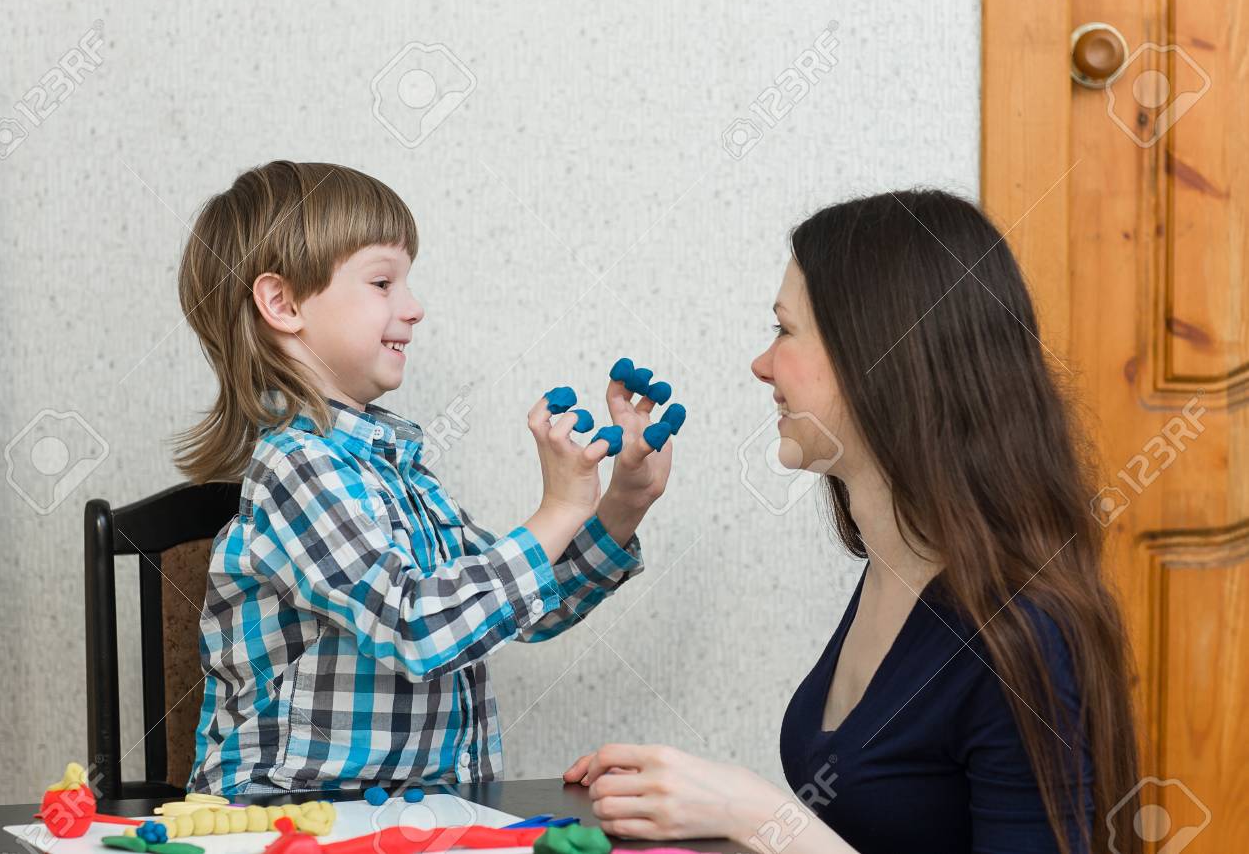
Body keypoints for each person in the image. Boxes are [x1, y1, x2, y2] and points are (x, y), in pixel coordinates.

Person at [564, 189, 1140, 854]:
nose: (761, 365)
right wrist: (705, 802)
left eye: (784, 330)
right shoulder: (897, 570)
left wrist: (754, 812)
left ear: (878, 355)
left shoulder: (1025, 635)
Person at [170, 160, 673, 794]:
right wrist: (559, 509)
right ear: (283, 303)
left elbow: (519, 610)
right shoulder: (295, 468)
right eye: (383, 282)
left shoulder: (399, 472)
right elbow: (416, 629)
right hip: (291, 819)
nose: (414, 309)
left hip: (416, 816)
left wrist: (622, 502)